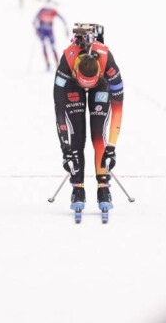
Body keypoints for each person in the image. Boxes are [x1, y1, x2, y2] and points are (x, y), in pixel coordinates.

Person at [53, 24, 123, 214]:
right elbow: (59, 110)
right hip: (71, 85)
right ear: (76, 72)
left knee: (98, 135)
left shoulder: (108, 64)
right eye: (84, 83)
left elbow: (118, 109)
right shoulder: (67, 63)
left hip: (101, 85)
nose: (86, 88)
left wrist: (111, 148)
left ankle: (104, 188)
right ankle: (77, 188)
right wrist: (65, 149)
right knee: (77, 136)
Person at [33, 1, 69, 70]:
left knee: (52, 47)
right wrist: (36, 29)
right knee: (44, 46)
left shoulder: (52, 11)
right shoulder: (42, 10)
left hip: (49, 31)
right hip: (42, 31)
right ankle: (48, 64)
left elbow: (62, 19)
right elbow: (34, 20)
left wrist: (66, 29)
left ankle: (57, 64)